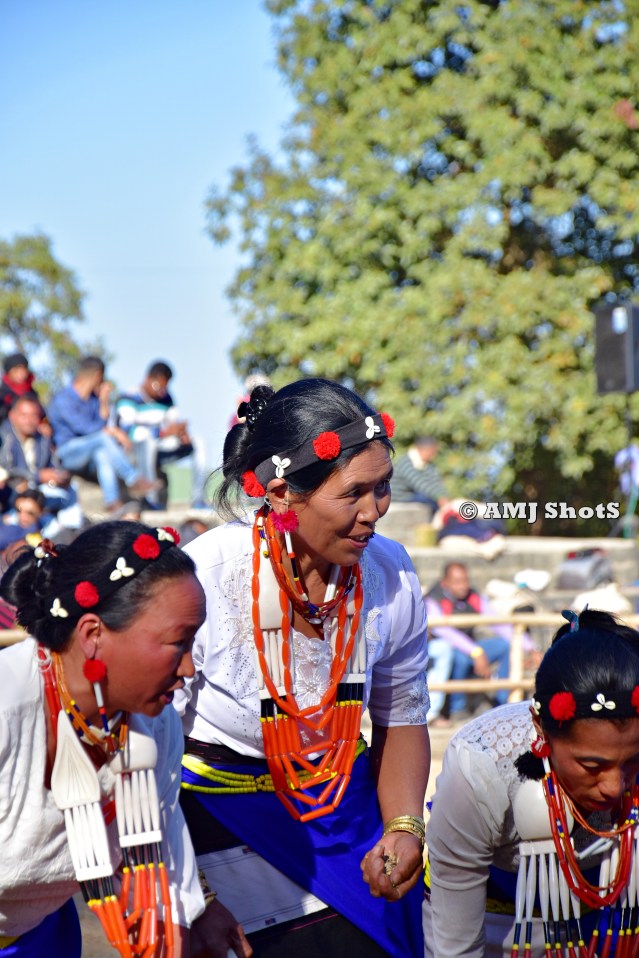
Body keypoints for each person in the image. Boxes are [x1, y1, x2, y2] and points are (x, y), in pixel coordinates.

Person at [175, 378, 430, 958]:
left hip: (347, 808)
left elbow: (403, 714)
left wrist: (403, 828)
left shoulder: (390, 572)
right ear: (285, 493)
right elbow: (149, 746)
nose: (374, 513)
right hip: (218, 816)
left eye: (383, 488)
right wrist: (194, 894)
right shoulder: (207, 576)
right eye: (354, 493)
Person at [0, 520, 248, 957]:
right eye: (179, 643)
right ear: (93, 635)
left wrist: (192, 914)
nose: (190, 668)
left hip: (39, 935)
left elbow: (162, 862)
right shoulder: (9, 704)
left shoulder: (155, 724)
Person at [424, 609, 639, 957]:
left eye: (632, 762)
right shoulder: (482, 766)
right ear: (541, 729)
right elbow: (456, 946)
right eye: (591, 765)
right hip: (490, 926)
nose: (614, 787)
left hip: (614, 929)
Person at [48, 356, 156, 512]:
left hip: (92, 451)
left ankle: (112, 502)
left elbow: (102, 425)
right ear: (98, 375)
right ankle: (132, 478)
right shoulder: (63, 399)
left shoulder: (92, 400)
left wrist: (103, 401)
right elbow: (85, 428)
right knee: (102, 439)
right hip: (67, 453)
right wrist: (114, 432)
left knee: (102, 454)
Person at [425, 562, 513, 720]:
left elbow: (496, 621)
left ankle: (501, 703)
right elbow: (445, 632)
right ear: (445, 582)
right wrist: (475, 652)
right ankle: (457, 708)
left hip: (471, 647)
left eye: (466, 580)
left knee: (505, 646)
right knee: (457, 656)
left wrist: (529, 648)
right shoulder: (433, 599)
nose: (463, 586)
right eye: (458, 581)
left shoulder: (473, 596)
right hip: (448, 649)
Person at [115, 360, 208, 508]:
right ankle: (151, 498)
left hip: (160, 449)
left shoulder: (167, 399)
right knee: (146, 438)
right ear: (147, 378)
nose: (161, 391)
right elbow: (127, 431)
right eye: (158, 385)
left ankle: (198, 498)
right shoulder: (128, 397)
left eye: (165, 386)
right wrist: (162, 433)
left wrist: (181, 433)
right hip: (134, 451)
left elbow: (172, 423)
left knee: (198, 441)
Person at [0, 394, 83, 533]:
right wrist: (37, 476)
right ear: (12, 415)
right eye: (24, 415)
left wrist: (60, 477)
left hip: (41, 490)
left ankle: (72, 529)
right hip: (15, 491)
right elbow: (7, 470)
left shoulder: (42, 438)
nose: (29, 420)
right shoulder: (4, 437)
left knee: (71, 488)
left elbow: (54, 464)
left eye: (33, 416)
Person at [390, 436, 449, 512]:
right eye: (433, 451)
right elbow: (419, 483)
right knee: (432, 503)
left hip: (413, 497)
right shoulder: (405, 462)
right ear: (423, 449)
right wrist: (439, 497)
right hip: (400, 498)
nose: (434, 455)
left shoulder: (428, 464)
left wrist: (443, 495)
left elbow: (435, 481)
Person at [0, 353, 42, 426]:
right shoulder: (2, 395)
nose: (21, 374)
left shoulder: (32, 394)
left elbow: (41, 413)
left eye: (23, 369)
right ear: (9, 372)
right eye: (16, 370)